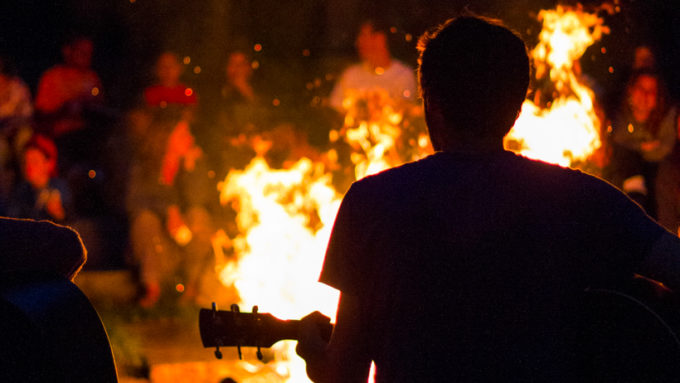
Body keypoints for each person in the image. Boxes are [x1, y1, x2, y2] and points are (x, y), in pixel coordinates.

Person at [296, 15, 680, 382]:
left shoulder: (371, 204)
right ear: (515, 109)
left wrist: (317, 358)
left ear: (431, 101)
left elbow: (345, 375)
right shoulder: (580, 199)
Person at [126, 109, 214, 307]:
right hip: (156, 245)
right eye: (183, 134)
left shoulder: (193, 165)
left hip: (184, 242)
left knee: (198, 215)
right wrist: (167, 210)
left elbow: (199, 200)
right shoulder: (144, 167)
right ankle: (152, 289)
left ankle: (192, 287)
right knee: (145, 220)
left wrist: (192, 170)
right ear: (166, 137)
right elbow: (134, 202)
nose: (190, 139)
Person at [329, 18, 417, 113]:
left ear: (381, 39)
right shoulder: (350, 75)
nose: (359, 41)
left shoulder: (403, 75)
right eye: (360, 36)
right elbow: (336, 109)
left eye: (365, 35)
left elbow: (406, 112)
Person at [8, 134, 72, 223]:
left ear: (49, 163)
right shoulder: (21, 191)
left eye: (34, 161)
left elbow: (69, 220)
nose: (28, 167)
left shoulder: (59, 188)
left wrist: (59, 213)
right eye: (25, 162)